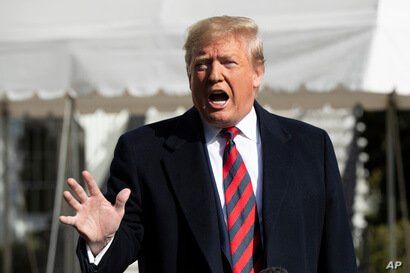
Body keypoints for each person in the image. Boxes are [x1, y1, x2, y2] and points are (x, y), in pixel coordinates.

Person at [60, 16, 357, 273]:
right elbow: (117, 255)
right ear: (190, 76)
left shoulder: (310, 147)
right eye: (202, 64)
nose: (215, 74)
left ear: (257, 73)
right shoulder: (143, 152)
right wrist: (101, 242)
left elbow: (338, 255)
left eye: (228, 62)